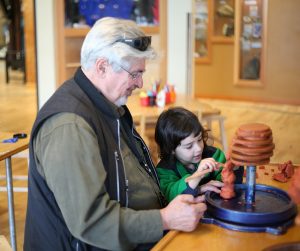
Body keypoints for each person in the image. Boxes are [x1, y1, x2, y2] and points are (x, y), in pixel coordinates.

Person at [24, 17, 207, 251]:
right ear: (102, 66)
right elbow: (92, 222)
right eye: (134, 74)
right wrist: (166, 219)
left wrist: (187, 189)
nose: (140, 83)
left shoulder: (106, 106)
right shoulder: (69, 126)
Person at [155, 107, 244, 203]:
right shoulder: (164, 170)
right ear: (171, 149)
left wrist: (234, 168)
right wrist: (197, 177)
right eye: (189, 146)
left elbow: (230, 185)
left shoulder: (214, 155)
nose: (198, 148)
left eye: (199, 139)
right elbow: (169, 195)